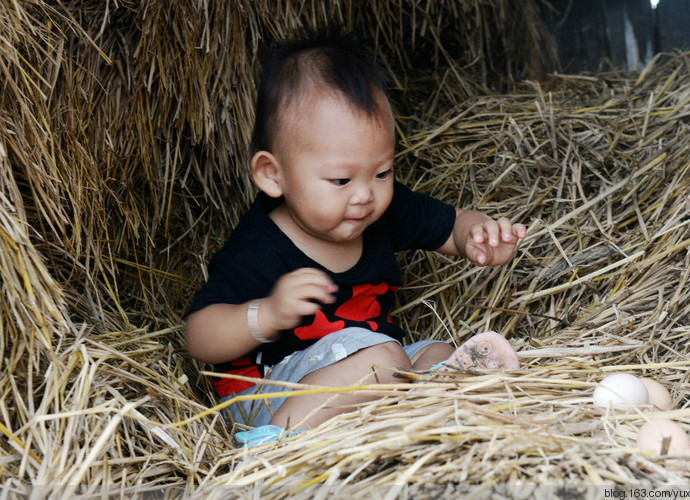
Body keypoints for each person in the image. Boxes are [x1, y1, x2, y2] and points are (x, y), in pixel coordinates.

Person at [183, 27, 527, 434]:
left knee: (436, 353)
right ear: (273, 175)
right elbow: (199, 338)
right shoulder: (259, 246)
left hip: (371, 368)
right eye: (341, 181)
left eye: (382, 172)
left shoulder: (381, 210)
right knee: (382, 361)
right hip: (269, 395)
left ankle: (434, 416)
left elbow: (451, 225)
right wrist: (266, 314)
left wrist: (478, 236)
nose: (365, 195)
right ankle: (271, 449)